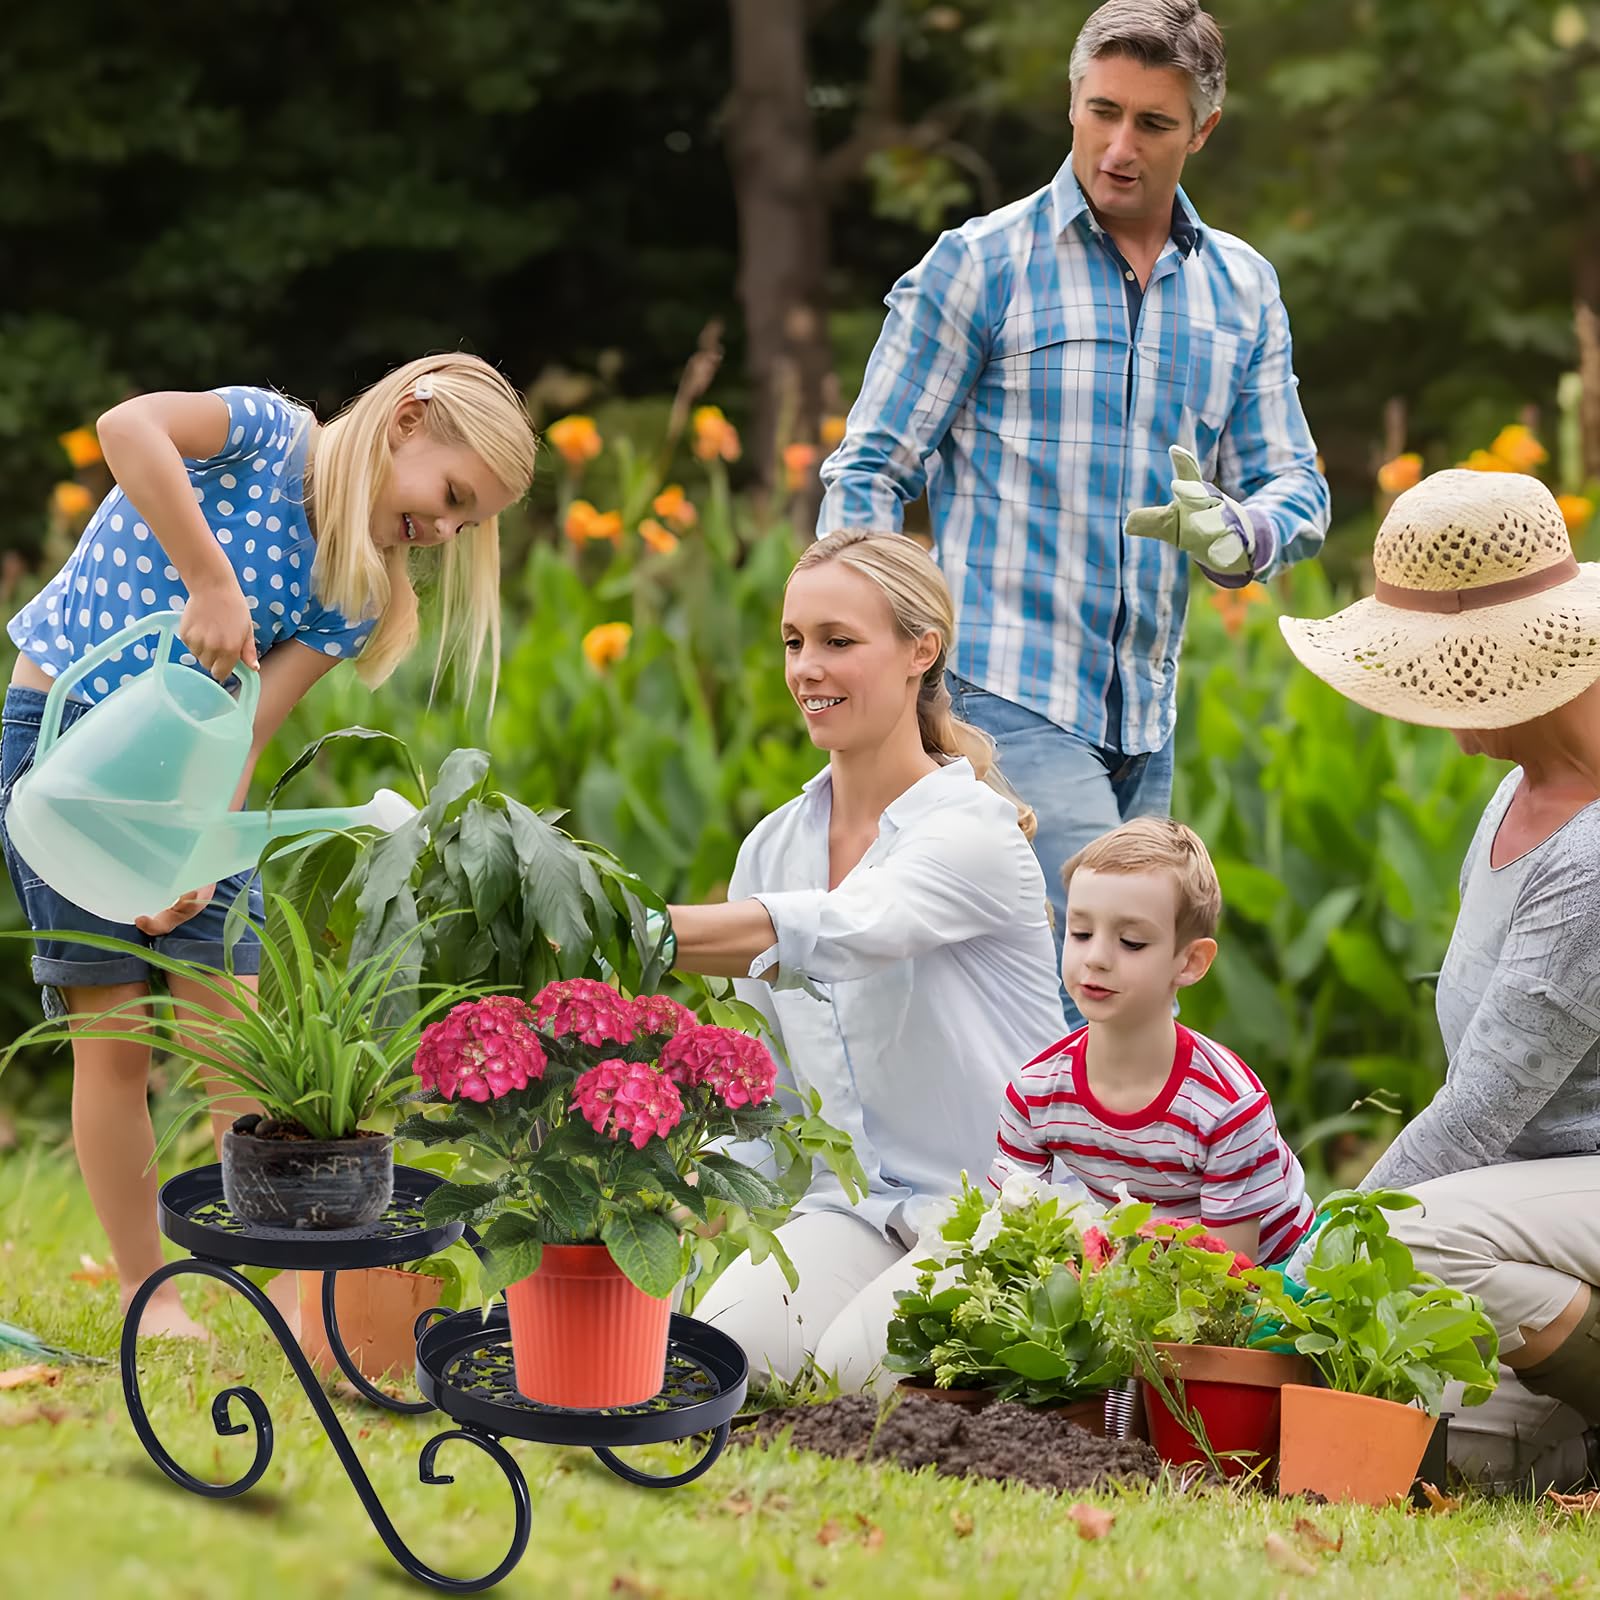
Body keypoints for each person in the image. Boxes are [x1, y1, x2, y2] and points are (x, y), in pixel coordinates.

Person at [1, 354, 536, 1340]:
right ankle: (142, 1289)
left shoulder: (357, 588)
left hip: (191, 782)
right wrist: (210, 580)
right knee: (111, 1036)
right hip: (67, 746)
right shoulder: (263, 433)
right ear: (406, 419)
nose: (448, 529)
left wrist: (196, 850)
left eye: (469, 524)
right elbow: (127, 427)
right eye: (453, 496)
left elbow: (246, 729)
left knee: (230, 1041)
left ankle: (293, 1291)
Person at [817, 0, 1330, 1022]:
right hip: (1003, 693)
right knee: (1109, 979)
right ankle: (1073, 1183)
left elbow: (1297, 486)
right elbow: (869, 472)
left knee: (1084, 991)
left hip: (1145, 710)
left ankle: (1039, 1179)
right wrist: (869, 652)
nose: (1118, 145)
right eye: (1100, 112)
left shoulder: (1240, 288)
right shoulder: (982, 265)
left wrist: (1240, 533)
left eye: (1151, 123)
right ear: (1070, 101)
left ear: (1201, 131)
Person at [663, 530, 1065, 1386]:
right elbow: (763, 1081)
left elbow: (847, 929)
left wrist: (637, 929)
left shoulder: (971, 833)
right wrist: (686, 1196)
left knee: (853, 1378)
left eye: (839, 642)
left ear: (922, 652)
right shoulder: (772, 849)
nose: (807, 667)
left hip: (997, 1210)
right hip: (851, 1212)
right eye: (794, 642)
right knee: (716, 1367)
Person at [1280, 467, 1600, 1491]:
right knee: (1472, 1449)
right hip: (1544, 1201)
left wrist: (1317, 1246)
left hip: (1563, 1187)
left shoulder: (1590, 855)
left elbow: (1479, 1112)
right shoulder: (1515, 791)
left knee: (1409, 1241)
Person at [989, 817, 1313, 1266]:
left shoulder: (1227, 1106)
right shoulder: (1035, 1093)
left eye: (1131, 942)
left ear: (1191, 962)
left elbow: (1232, 1279)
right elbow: (1006, 1230)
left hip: (1278, 1271)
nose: (1096, 958)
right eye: (1081, 933)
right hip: (1140, 1261)